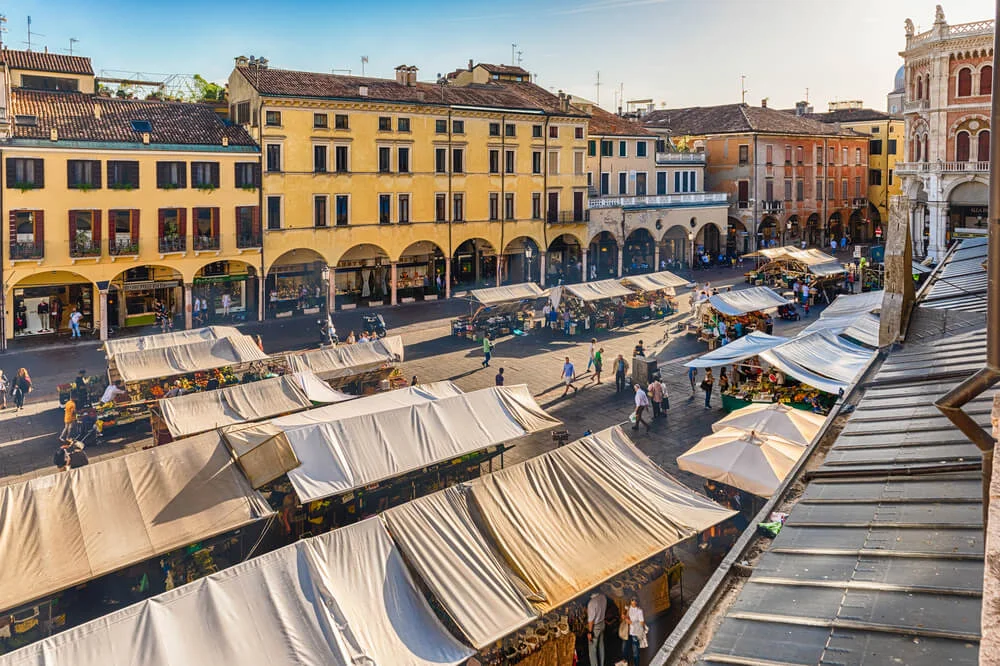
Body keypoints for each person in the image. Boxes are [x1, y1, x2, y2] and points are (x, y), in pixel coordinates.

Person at [587, 590, 607, 666]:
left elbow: (591, 620)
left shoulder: (591, 603)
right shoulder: (603, 597)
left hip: (595, 627)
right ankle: (602, 664)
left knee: (592, 649)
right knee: (601, 646)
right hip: (602, 623)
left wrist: (589, 632)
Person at [624, 598, 646, 666]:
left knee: (635, 653)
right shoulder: (628, 608)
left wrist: (631, 622)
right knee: (624, 650)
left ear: (637, 601)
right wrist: (624, 617)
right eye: (632, 600)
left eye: (635, 600)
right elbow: (625, 615)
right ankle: (626, 663)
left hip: (634, 634)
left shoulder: (639, 611)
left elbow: (641, 624)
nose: (633, 601)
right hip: (627, 633)